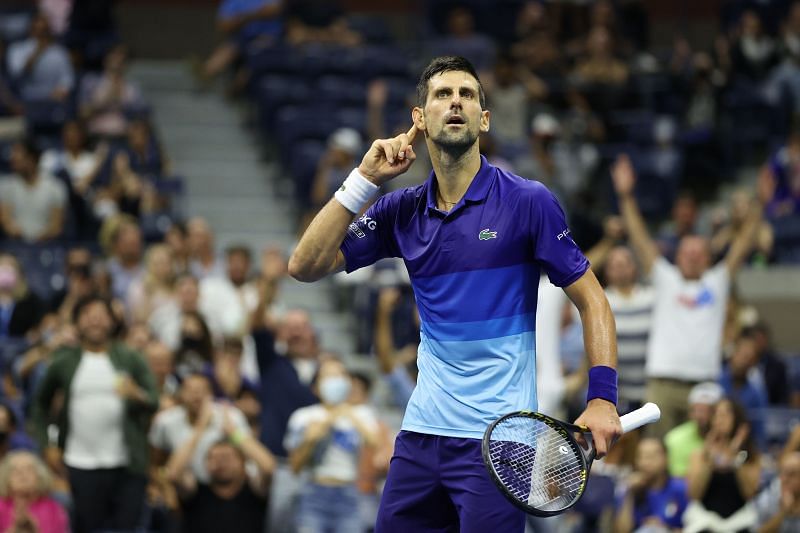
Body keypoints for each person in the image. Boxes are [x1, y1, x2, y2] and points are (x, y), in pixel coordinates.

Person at [289, 55, 622, 531]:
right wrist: (363, 181)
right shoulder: (399, 211)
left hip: (500, 443)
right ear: (419, 119)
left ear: (483, 120)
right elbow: (304, 265)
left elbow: (594, 302)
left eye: (467, 95)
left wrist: (603, 398)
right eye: (443, 95)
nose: (456, 103)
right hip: (421, 436)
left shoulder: (529, 202)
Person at [612, 154, 762, 437]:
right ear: (677, 256)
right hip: (662, 384)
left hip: (704, 386)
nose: (692, 257)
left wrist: (760, 204)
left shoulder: (717, 281)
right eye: (687, 252)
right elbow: (639, 236)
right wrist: (626, 195)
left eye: (699, 253)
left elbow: (743, 244)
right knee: (654, 450)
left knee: (702, 455)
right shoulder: (664, 277)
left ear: (708, 258)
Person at [31, 295, 159, 533]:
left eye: (101, 315)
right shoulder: (64, 361)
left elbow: (154, 399)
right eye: (88, 316)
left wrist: (137, 394)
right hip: (80, 463)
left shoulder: (130, 357)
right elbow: (40, 405)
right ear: (77, 322)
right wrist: (48, 443)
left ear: (112, 321)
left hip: (127, 464)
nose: (95, 322)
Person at [285, 358, 378, 532]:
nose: (335, 380)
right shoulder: (304, 416)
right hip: (313, 494)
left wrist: (346, 412)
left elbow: (374, 442)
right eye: (328, 376)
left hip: (349, 495)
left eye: (341, 375)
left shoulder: (362, 413)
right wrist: (309, 440)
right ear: (316, 386)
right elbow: (295, 467)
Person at [166, 406, 275, 533]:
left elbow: (269, 467)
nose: (221, 462)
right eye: (214, 458)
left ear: (242, 462)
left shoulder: (255, 491)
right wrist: (199, 429)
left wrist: (234, 433)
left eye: (227, 457)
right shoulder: (196, 493)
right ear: (205, 464)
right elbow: (173, 474)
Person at [149, 373, 252, 483]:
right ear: (181, 395)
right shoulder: (165, 421)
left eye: (202, 390)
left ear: (211, 394)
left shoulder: (231, 416)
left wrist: (233, 433)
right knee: (184, 479)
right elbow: (158, 464)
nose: (197, 395)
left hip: (228, 482)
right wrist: (200, 427)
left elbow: (248, 456)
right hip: (189, 488)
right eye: (190, 390)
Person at [684, 397, 761, 533]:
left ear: (737, 419)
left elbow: (750, 493)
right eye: (716, 414)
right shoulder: (699, 454)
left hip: (739, 520)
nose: (720, 419)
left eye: (726, 414)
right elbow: (694, 494)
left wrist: (735, 457)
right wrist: (708, 459)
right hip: (706, 520)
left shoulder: (750, 455)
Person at [614, 438, 690, 532]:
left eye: (651, 457)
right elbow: (622, 531)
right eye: (640, 457)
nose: (644, 462)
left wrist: (664, 528)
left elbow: (694, 528)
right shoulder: (629, 490)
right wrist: (629, 494)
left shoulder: (681, 488)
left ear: (666, 458)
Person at [0, 139, 67, 242]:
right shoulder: (6, 186)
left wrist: (41, 237)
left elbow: (56, 225)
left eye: (17, 154)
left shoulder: (55, 187)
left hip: (47, 245)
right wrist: (18, 234)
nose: (12, 158)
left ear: (31, 159)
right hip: (15, 245)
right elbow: (5, 220)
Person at [5, 12, 74, 102]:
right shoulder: (17, 49)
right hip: (25, 99)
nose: (41, 35)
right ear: (31, 29)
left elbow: (67, 78)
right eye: (38, 30)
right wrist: (37, 52)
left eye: (44, 31)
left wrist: (63, 90)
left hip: (52, 100)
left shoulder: (59, 52)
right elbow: (16, 77)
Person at [664, 381, 723, 478]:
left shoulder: (729, 437)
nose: (700, 416)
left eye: (707, 411)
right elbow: (678, 478)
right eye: (696, 410)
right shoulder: (674, 439)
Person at [0, 451, 70, 533]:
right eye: (15, 470)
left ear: (40, 477)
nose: (22, 474)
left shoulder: (53, 509)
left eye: (29, 469)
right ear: (5, 477)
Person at [755, 451, 800, 533]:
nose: (784, 479)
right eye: (782, 472)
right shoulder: (767, 500)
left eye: (792, 474)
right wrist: (783, 513)